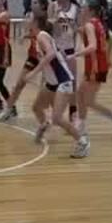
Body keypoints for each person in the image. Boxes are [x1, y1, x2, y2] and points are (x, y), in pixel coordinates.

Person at [23, 13, 88, 158]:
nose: (25, 19)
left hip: (62, 80)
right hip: (52, 82)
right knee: (37, 107)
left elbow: (51, 53)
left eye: (29, 17)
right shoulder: (38, 36)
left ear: (35, 22)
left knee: (57, 118)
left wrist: (34, 72)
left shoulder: (41, 36)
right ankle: (44, 124)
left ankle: (82, 141)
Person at [74, 0, 112, 157]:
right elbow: (110, 41)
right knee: (80, 94)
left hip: (95, 67)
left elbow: (92, 46)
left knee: (88, 100)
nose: (81, 9)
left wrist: (76, 54)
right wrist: (106, 56)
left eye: (84, 7)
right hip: (98, 65)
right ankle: (82, 125)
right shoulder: (97, 23)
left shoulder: (90, 25)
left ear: (91, 10)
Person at [0, 0, 49, 122]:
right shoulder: (32, 18)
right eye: (32, 3)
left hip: (46, 58)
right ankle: (8, 109)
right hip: (32, 56)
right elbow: (32, 33)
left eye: (35, 2)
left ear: (42, 5)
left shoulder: (48, 20)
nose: (32, 5)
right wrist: (25, 35)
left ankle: (48, 116)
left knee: (47, 88)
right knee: (19, 84)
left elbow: (47, 38)